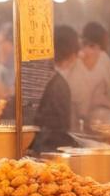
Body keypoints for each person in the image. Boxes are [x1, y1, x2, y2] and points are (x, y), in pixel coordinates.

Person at [30, 26, 80, 154]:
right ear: (72, 54)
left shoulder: (38, 75)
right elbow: (60, 131)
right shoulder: (59, 84)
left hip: (35, 148)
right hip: (50, 152)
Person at [65, 22, 110, 130]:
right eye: (87, 45)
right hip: (72, 118)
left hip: (99, 118)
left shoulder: (104, 59)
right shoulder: (74, 59)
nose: (90, 51)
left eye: (93, 47)